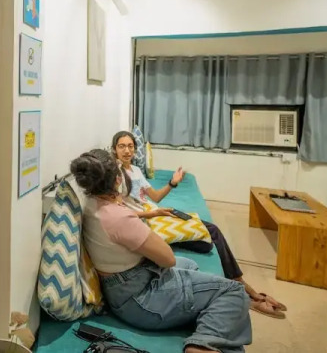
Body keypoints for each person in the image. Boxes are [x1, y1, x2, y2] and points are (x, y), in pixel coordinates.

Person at [73, 149, 253, 353]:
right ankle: (201, 344)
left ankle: (205, 318)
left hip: (120, 289)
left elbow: (119, 225)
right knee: (234, 291)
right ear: (117, 179)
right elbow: (168, 259)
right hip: (140, 299)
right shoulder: (119, 218)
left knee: (190, 264)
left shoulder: (91, 204)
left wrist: (144, 214)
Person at [106, 130, 288, 319]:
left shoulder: (135, 170)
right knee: (208, 239)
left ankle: (241, 285)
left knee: (209, 231)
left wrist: (173, 183)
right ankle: (244, 292)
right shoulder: (116, 176)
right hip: (149, 221)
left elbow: (156, 197)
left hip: (157, 214)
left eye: (130, 146)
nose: (127, 151)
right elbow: (121, 213)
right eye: (121, 146)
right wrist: (152, 213)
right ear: (114, 149)